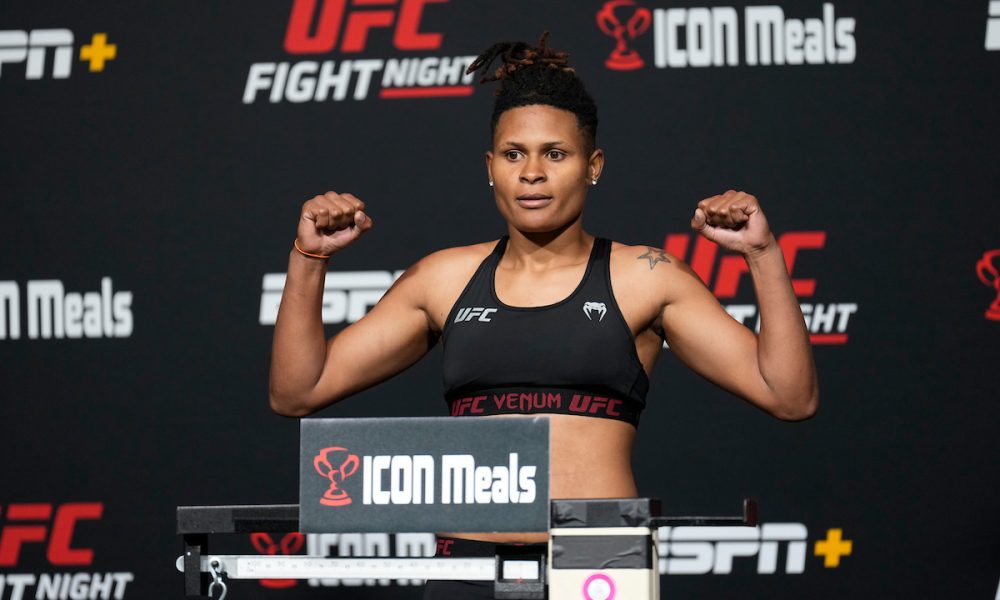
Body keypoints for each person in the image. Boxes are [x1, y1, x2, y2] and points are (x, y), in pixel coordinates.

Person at [269, 34, 818, 600]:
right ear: (490, 167)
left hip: (599, 553)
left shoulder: (646, 276)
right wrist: (309, 258)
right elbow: (298, 390)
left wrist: (762, 254)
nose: (532, 173)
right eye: (514, 154)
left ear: (593, 165)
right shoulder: (442, 278)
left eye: (555, 153)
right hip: (468, 561)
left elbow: (789, 395)